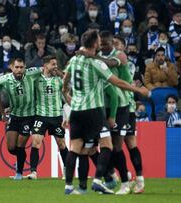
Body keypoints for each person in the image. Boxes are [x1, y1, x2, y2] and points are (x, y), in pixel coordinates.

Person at [62, 30, 149, 195]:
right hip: (95, 110)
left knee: (82, 148)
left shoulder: (77, 59)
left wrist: (66, 91)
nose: (102, 45)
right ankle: (102, 180)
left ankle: (71, 186)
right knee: (104, 146)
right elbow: (114, 81)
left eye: (105, 42)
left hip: (100, 108)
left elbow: (66, 79)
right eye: (99, 42)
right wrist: (138, 90)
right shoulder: (96, 62)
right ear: (95, 44)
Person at [26, 55, 71, 180]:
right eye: (53, 64)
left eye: (56, 64)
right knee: (35, 142)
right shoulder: (36, 78)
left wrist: (62, 75)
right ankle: (33, 172)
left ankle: (67, 170)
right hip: (41, 116)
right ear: (45, 65)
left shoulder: (59, 79)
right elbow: (25, 73)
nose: (55, 66)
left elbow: (67, 92)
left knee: (61, 144)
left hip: (56, 116)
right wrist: (39, 70)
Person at [0, 58, 42, 180]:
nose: (19, 70)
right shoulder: (4, 80)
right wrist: (2, 112)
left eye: (21, 67)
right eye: (16, 67)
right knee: (11, 148)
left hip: (29, 116)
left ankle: (19, 173)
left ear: (25, 67)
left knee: (20, 145)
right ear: (11, 67)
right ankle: (21, 161)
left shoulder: (32, 73)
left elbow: (47, 68)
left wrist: (60, 75)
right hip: (15, 115)